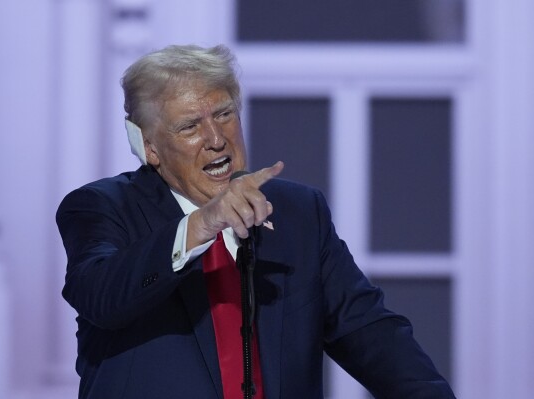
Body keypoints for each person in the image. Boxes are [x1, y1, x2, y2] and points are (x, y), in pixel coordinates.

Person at [56, 44, 456, 399]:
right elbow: (100, 295)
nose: (216, 138)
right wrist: (201, 224)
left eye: (225, 114)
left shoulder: (297, 211)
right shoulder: (99, 207)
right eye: (190, 126)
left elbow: (369, 332)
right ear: (149, 148)